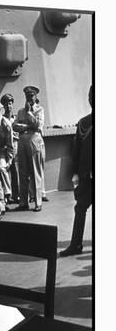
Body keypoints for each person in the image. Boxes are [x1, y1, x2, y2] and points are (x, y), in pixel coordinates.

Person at [60, 85, 93, 256]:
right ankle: (76, 244)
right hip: (87, 176)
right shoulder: (84, 123)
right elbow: (76, 151)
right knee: (80, 208)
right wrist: (74, 173)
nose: (92, 98)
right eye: (90, 95)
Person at [12, 85, 45, 212]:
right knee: (23, 172)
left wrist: (30, 113)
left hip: (34, 141)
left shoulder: (39, 110)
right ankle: (23, 202)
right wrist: (27, 126)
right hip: (22, 142)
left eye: (31, 96)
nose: (29, 98)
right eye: (27, 96)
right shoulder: (20, 111)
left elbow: (37, 125)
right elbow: (14, 126)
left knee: (36, 171)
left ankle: (38, 202)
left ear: (36, 97)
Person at [1, 93, 19, 204]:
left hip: (16, 146)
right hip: (5, 147)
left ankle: (16, 195)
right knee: (5, 170)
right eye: (6, 104)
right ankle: (7, 195)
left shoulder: (16, 119)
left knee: (15, 171)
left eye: (10, 103)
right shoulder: (1, 119)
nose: (8, 106)